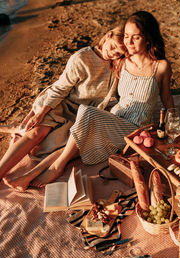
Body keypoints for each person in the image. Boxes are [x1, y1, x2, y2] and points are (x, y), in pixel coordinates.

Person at [5, 10, 174, 191]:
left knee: (86, 115)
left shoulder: (160, 66)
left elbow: (166, 98)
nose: (128, 43)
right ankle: (28, 175)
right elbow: (100, 57)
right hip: (114, 117)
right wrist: (39, 110)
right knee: (77, 139)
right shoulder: (122, 61)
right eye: (126, 36)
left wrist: (174, 124)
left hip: (136, 128)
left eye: (136, 37)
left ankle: (56, 167)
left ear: (148, 38)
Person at [0, 26, 126, 182]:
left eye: (119, 52)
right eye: (113, 47)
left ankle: (18, 129)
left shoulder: (117, 63)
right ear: (108, 36)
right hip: (63, 104)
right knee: (36, 133)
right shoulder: (81, 58)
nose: (113, 53)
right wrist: (40, 114)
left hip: (85, 113)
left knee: (59, 147)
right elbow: (61, 89)